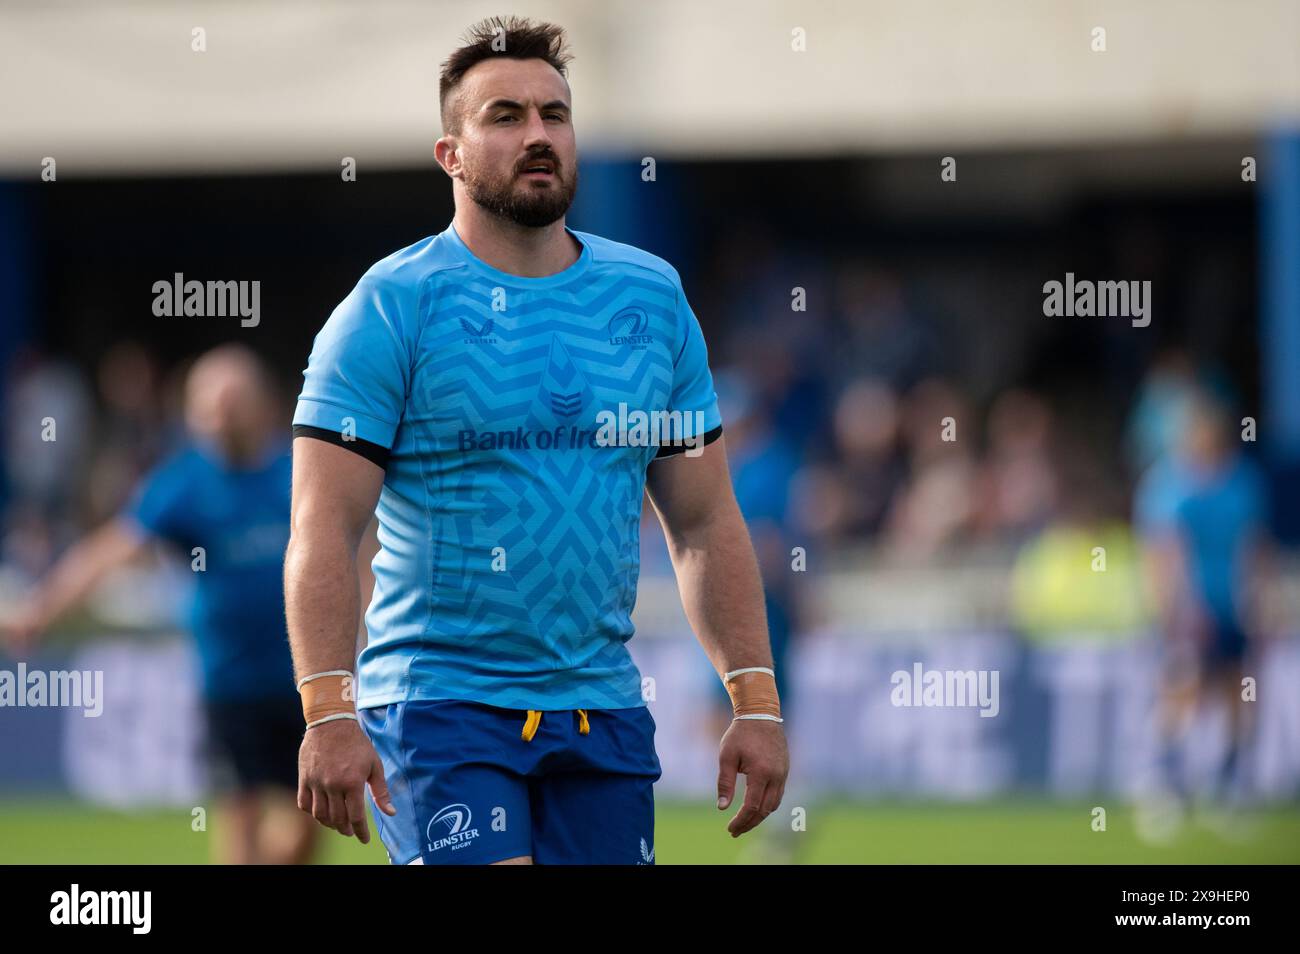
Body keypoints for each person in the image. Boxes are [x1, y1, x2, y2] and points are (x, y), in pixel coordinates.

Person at [286, 15, 788, 865]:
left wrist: (757, 701)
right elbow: (323, 529)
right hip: (440, 706)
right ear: (450, 153)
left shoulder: (652, 300)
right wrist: (330, 712)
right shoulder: (390, 307)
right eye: (506, 116)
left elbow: (704, 524)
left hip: (603, 711)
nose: (539, 135)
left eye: (555, 114)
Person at [4, 344, 320, 864]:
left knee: (307, 821)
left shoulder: (298, 475)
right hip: (228, 683)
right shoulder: (185, 484)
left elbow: (350, 550)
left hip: (300, 678)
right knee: (238, 813)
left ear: (264, 405)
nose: (219, 415)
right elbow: (112, 550)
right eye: (208, 403)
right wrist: (41, 610)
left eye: (231, 401)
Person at [1134, 387, 1271, 836]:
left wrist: (1259, 603)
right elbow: (1163, 553)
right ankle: (1163, 784)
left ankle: (1229, 786)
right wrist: (1173, 609)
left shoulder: (1243, 483)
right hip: (1188, 612)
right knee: (1181, 692)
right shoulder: (1169, 484)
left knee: (1238, 696)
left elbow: (1254, 548)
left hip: (1232, 608)